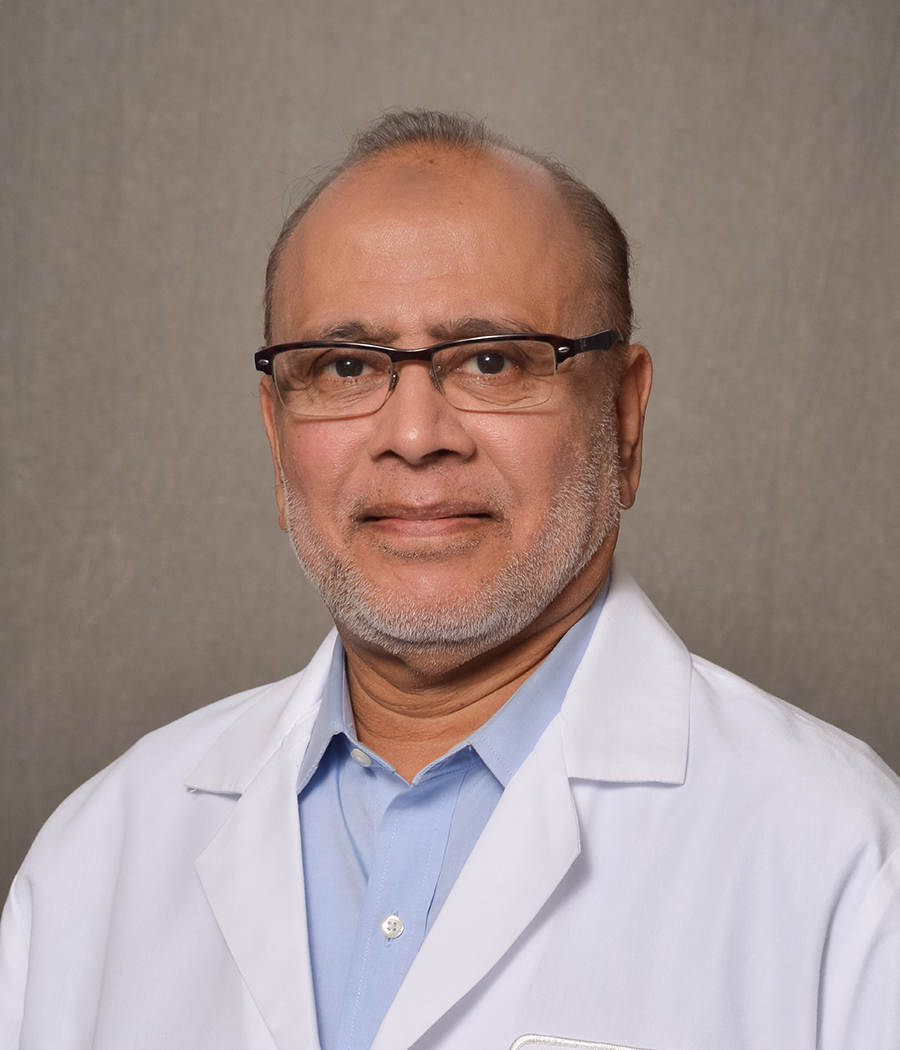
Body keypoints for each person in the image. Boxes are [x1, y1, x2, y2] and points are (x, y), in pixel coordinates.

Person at [1, 109, 899, 1050]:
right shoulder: (93, 861)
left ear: (625, 418)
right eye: (346, 366)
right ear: (276, 437)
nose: (416, 434)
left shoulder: (841, 862)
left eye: (491, 359)